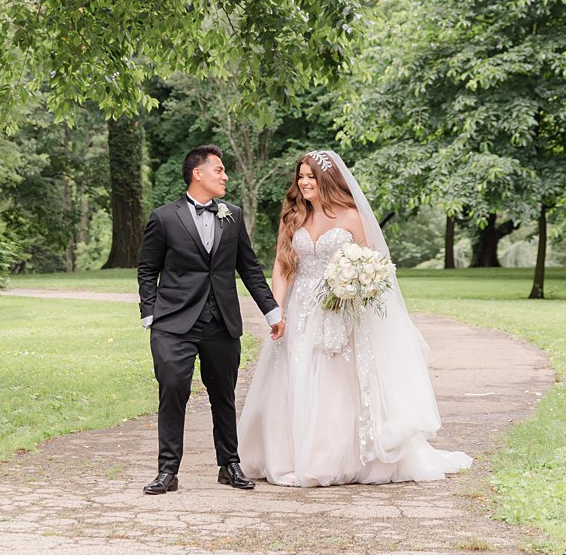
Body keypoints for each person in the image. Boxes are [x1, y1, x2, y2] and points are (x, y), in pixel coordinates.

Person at [237, 149, 472, 486]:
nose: (304, 182)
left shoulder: (350, 217)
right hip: (299, 310)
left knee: (334, 382)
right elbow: (281, 265)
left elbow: (374, 265)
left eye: (310, 176)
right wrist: (277, 308)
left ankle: (331, 459)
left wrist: (355, 288)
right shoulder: (292, 216)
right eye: (300, 176)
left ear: (327, 180)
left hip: (340, 309)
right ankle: (286, 456)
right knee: (292, 374)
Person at [136, 144, 284, 495]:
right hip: (173, 323)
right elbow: (147, 269)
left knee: (224, 394)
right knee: (173, 390)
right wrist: (150, 313)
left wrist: (272, 311)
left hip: (221, 322)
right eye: (219, 169)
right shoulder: (164, 217)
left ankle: (229, 465)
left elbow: (249, 268)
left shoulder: (232, 214)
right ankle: (167, 471)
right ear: (197, 173)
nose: (225, 175)